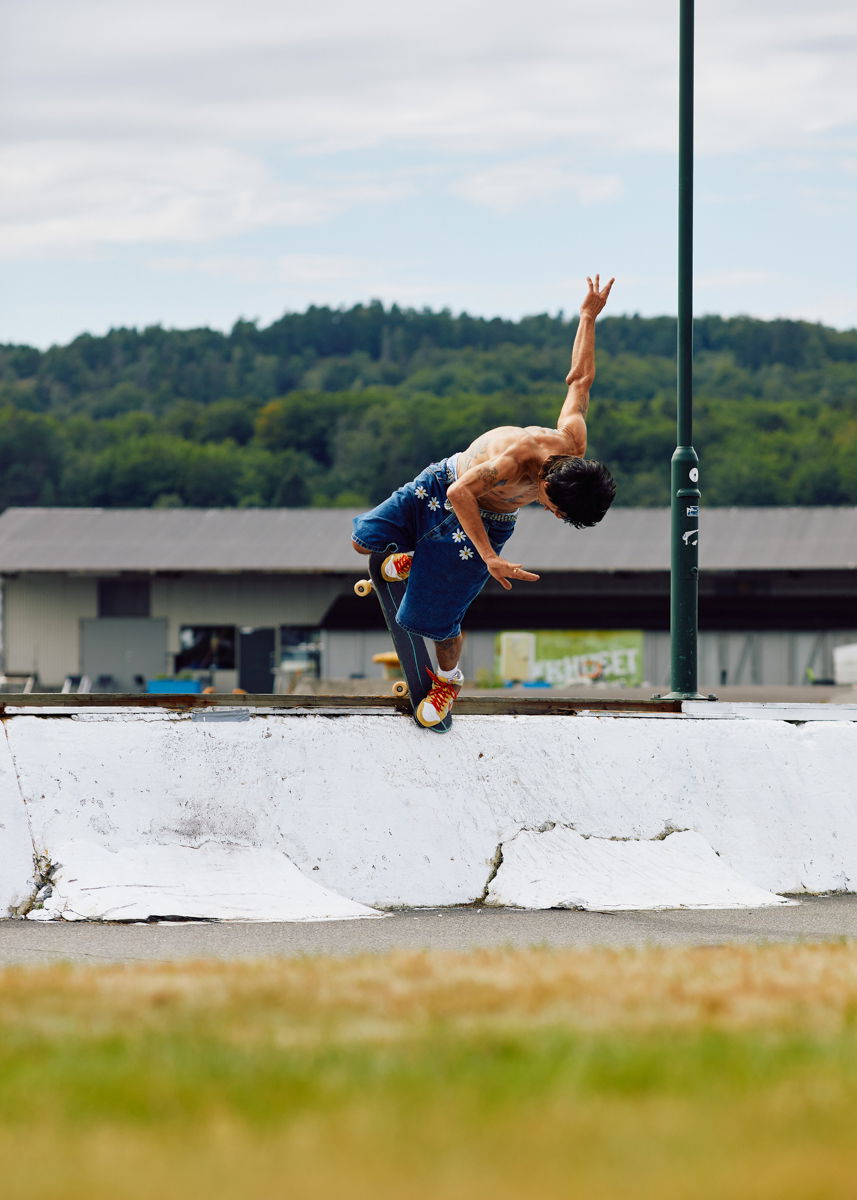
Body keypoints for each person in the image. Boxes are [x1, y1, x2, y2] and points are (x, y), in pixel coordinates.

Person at [352, 274, 617, 728]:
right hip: (447, 484)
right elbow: (459, 493)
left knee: (435, 622)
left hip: (489, 517)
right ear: (548, 486)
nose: (550, 513)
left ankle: (448, 680)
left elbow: (580, 381)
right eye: (554, 508)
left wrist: (588, 316)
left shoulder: (572, 441)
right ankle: (420, 558)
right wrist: (491, 558)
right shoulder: (515, 462)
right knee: (366, 542)